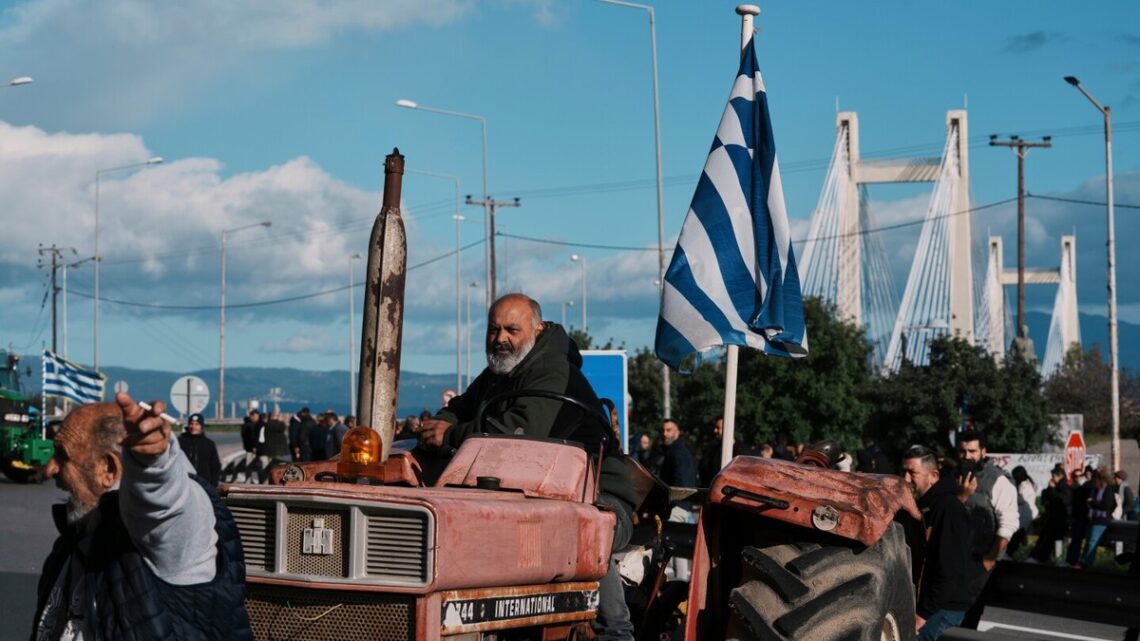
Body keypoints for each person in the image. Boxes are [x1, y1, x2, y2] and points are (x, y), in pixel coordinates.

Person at [417, 294, 637, 641]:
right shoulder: (499, 371)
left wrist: (449, 436)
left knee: (587, 530)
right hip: (533, 495)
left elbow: (517, 432)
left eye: (511, 330)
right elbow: (459, 407)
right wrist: (436, 429)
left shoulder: (552, 369)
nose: (500, 338)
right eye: (493, 329)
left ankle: (616, 632)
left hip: (598, 496)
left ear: (537, 329)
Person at [33, 393, 251, 640]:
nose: (50, 468)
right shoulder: (77, 533)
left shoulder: (174, 527)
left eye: (63, 455)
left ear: (108, 469)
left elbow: (162, 508)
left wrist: (152, 463)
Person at [901, 445, 973, 641]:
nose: (906, 479)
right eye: (904, 471)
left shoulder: (948, 509)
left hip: (943, 608)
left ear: (933, 476)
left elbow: (950, 570)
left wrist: (922, 615)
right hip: (928, 603)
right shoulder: (923, 508)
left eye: (912, 473)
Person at [957, 429, 1018, 627]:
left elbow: (1008, 524)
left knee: (964, 619)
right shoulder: (954, 476)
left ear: (984, 452)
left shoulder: (998, 480)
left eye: (972, 451)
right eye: (963, 451)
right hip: (954, 558)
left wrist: (989, 560)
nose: (967, 456)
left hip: (979, 561)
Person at [659, 418, 698, 582]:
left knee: (677, 553)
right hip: (682, 506)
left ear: (677, 432)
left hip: (677, 506)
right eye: (663, 430)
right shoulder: (679, 450)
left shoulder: (677, 452)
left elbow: (681, 480)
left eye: (669, 430)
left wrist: (673, 502)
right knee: (677, 552)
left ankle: (679, 591)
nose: (665, 434)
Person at [1029, 465, 1071, 564]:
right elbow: (1047, 498)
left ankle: (1040, 557)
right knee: (1044, 536)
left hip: (1060, 519)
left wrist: (1052, 489)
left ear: (1059, 476)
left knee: (1048, 537)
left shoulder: (1064, 487)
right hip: (1052, 517)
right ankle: (1036, 556)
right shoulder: (1055, 487)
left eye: (1054, 476)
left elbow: (1061, 500)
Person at [1077, 467, 1118, 568]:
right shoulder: (1095, 489)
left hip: (1101, 519)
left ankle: (1086, 562)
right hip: (1092, 518)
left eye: (1096, 478)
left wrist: (1092, 503)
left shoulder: (1108, 489)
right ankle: (1082, 561)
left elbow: (1107, 505)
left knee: (1092, 542)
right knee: (1088, 541)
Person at [176, 412, 221, 486]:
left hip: (204, 483)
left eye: (197, 424)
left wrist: (213, 484)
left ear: (201, 426)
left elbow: (215, 466)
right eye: (191, 424)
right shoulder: (180, 442)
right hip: (184, 483)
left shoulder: (209, 444)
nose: (193, 427)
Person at [1007, 465, 1038, 557]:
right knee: (1021, 533)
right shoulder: (1028, 483)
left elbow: (1021, 499)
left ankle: (1012, 552)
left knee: (1018, 533)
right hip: (1027, 512)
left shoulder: (1024, 486)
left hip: (1025, 513)